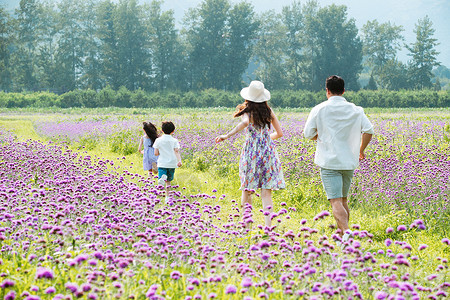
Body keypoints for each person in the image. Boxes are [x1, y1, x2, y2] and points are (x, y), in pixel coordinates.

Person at [303, 75, 374, 242]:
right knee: (343, 200)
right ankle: (341, 236)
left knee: (335, 201)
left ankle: (347, 233)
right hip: (349, 160)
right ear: (343, 90)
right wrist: (360, 149)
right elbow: (369, 130)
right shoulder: (356, 110)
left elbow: (308, 134)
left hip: (329, 162)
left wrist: (321, 137)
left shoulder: (319, 109)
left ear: (327, 91)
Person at [215, 80, 285, 228]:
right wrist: (265, 139)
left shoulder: (247, 112)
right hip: (268, 152)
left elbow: (245, 122)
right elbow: (279, 134)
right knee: (266, 193)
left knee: (247, 189)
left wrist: (227, 135)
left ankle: (247, 226)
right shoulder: (269, 111)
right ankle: (268, 227)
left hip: (251, 153)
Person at [153, 121, 182, 203]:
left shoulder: (158, 140)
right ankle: (167, 197)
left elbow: (155, 153)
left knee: (162, 175)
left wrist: (160, 152)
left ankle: (162, 177)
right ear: (173, 131)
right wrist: (179, 161)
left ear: (162, 130)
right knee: (168, 182)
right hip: (172, 163)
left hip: (162, 162)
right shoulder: (174, 140)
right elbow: (176, 151)